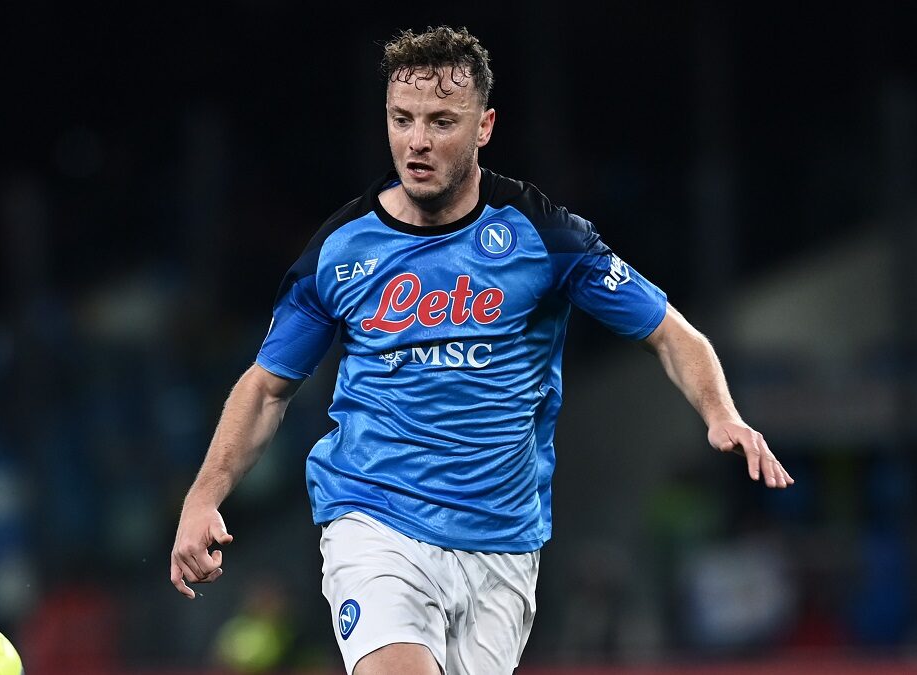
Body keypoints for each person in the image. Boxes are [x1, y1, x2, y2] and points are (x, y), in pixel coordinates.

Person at [170, 25, 793, 675]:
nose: (417, 140)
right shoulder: (341, 247)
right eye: (402, 119)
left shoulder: (544, 235)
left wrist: (721, 413)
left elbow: (670, 332)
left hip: (502, 544)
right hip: (375, 521)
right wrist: (204, 495)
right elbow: (267, 386)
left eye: (441, 121)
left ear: (484, 126)